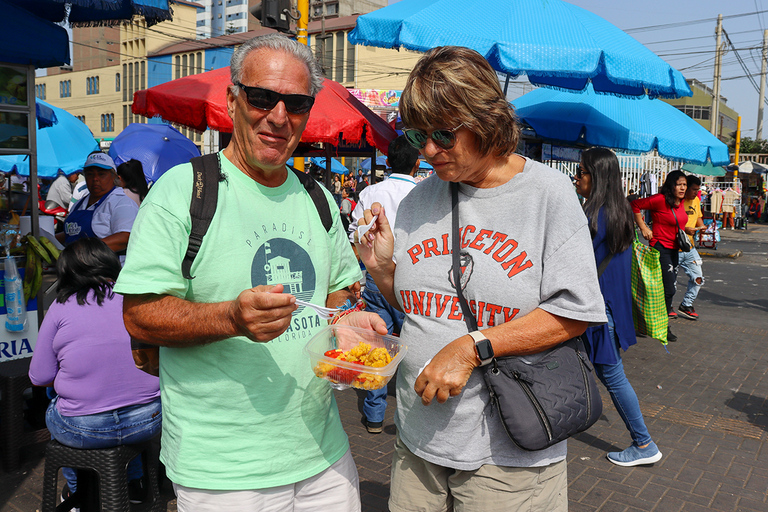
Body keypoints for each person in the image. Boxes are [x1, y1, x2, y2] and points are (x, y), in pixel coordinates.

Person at [113, 33, 386, 512]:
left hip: (323, 453)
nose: (278, 117)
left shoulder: (318, 197)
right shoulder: (184, 191)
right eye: (262, 98)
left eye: (296, 104)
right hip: (225, 470)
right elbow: (139, 316)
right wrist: (231, 319)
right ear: (233, 99)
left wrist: (349, 324)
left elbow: (342, 291)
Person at [355, 46, 606, 511]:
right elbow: (423, 307)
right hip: (418, 438)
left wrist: (473, 347)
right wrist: (382, 269)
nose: (428, 150)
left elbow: (576, 312)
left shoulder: (546, 193)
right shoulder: (417, 200)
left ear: (486, 120)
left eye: (443, 134)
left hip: (505, 450)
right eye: (418, 134)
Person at [28, 238, 161, 504]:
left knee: (55, 403)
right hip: (149, 419)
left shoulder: (60, 308)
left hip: (84, 429)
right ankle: (133, 484)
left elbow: (39, 376)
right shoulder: (137, 298)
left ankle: (79, 492)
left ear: (67, 272)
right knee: (123, 410)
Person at [575, 148, 662, 467]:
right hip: (610, 308)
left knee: (612, 376)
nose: (576, 177)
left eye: (580, 171)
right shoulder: (620, 210)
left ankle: (643, 443)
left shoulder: (595, 217)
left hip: (598, 312)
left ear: (596, 176)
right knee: (600, 370)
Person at [348, 134, 420, 434]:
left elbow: (354, 234)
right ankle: (414, 417)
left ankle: (375, 414)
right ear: (418, 163)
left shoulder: (370, 193)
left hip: (377, 278)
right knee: (415, 348)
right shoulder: (425, 193)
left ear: (388, 162)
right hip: (414, 281)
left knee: (377, 343)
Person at [631, 170, 691, 342]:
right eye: (679, 184)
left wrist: (688, 230)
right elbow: (634, 205)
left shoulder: (680, 203)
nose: (682, 188)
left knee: (666, 290)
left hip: (674, 249)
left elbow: (674, 223)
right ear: (671, 185)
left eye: (684, 185)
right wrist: (643, 227)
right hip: (660, 248)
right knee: (668, 289)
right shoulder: (659, 200)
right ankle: (660, 325)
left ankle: (656, 324)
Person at [57, 152, 139, 262]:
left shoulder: (122, 203)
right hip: (78, 269)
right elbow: (72, 232)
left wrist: (84, 250)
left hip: (107, 270)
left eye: (101, 174)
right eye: (90, 174)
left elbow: (125, 238)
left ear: (113, 176)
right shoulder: (80, 203)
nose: (95, 179)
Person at [677, 174, 706, 321]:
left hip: (690, 248)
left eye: (697, 190)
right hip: (674, 248)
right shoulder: (677, 202)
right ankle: (666, 307)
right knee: (669, 283)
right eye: (694, 189)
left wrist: (701, 226)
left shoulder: (696, 200)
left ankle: (686, 305)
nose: (696, 192)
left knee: (698, 278)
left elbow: (698, 215)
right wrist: (685, 229)